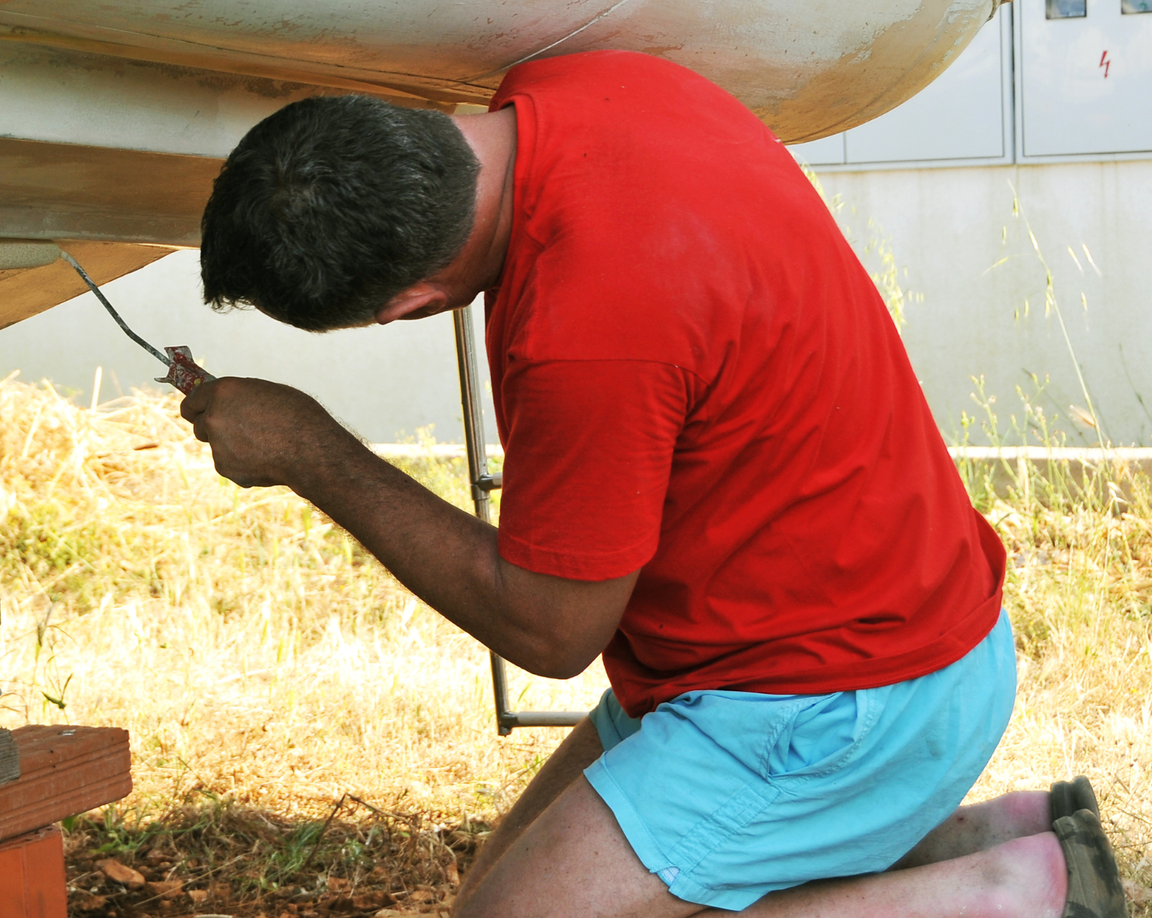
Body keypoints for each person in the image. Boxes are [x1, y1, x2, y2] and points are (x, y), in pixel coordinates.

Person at [181, 50, 1125, 918]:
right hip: (878, 631)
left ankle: (1012, 898)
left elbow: (551, 631)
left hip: (843, 695)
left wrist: (312, 452)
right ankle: (987, 839)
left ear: (410, 307)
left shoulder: (586, 328)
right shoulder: (597, 81)